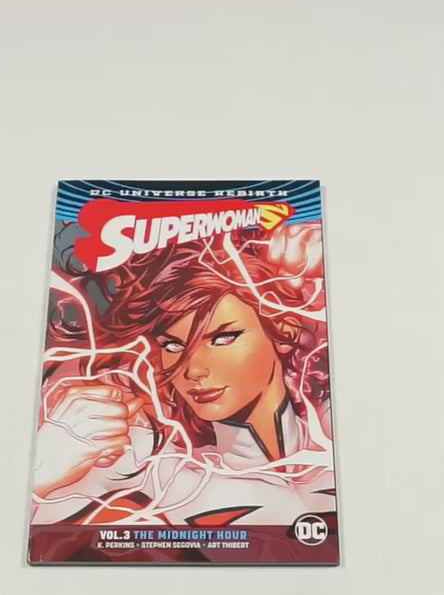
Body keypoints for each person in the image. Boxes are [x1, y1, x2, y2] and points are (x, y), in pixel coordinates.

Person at [30, 223, 335, 530]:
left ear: (285, 330)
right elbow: (34, 533)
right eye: (173, 346)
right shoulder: (160, 474)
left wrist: (340, 267)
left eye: (222, 338)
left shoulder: (335, 430)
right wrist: (44, 466)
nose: (193, 370)